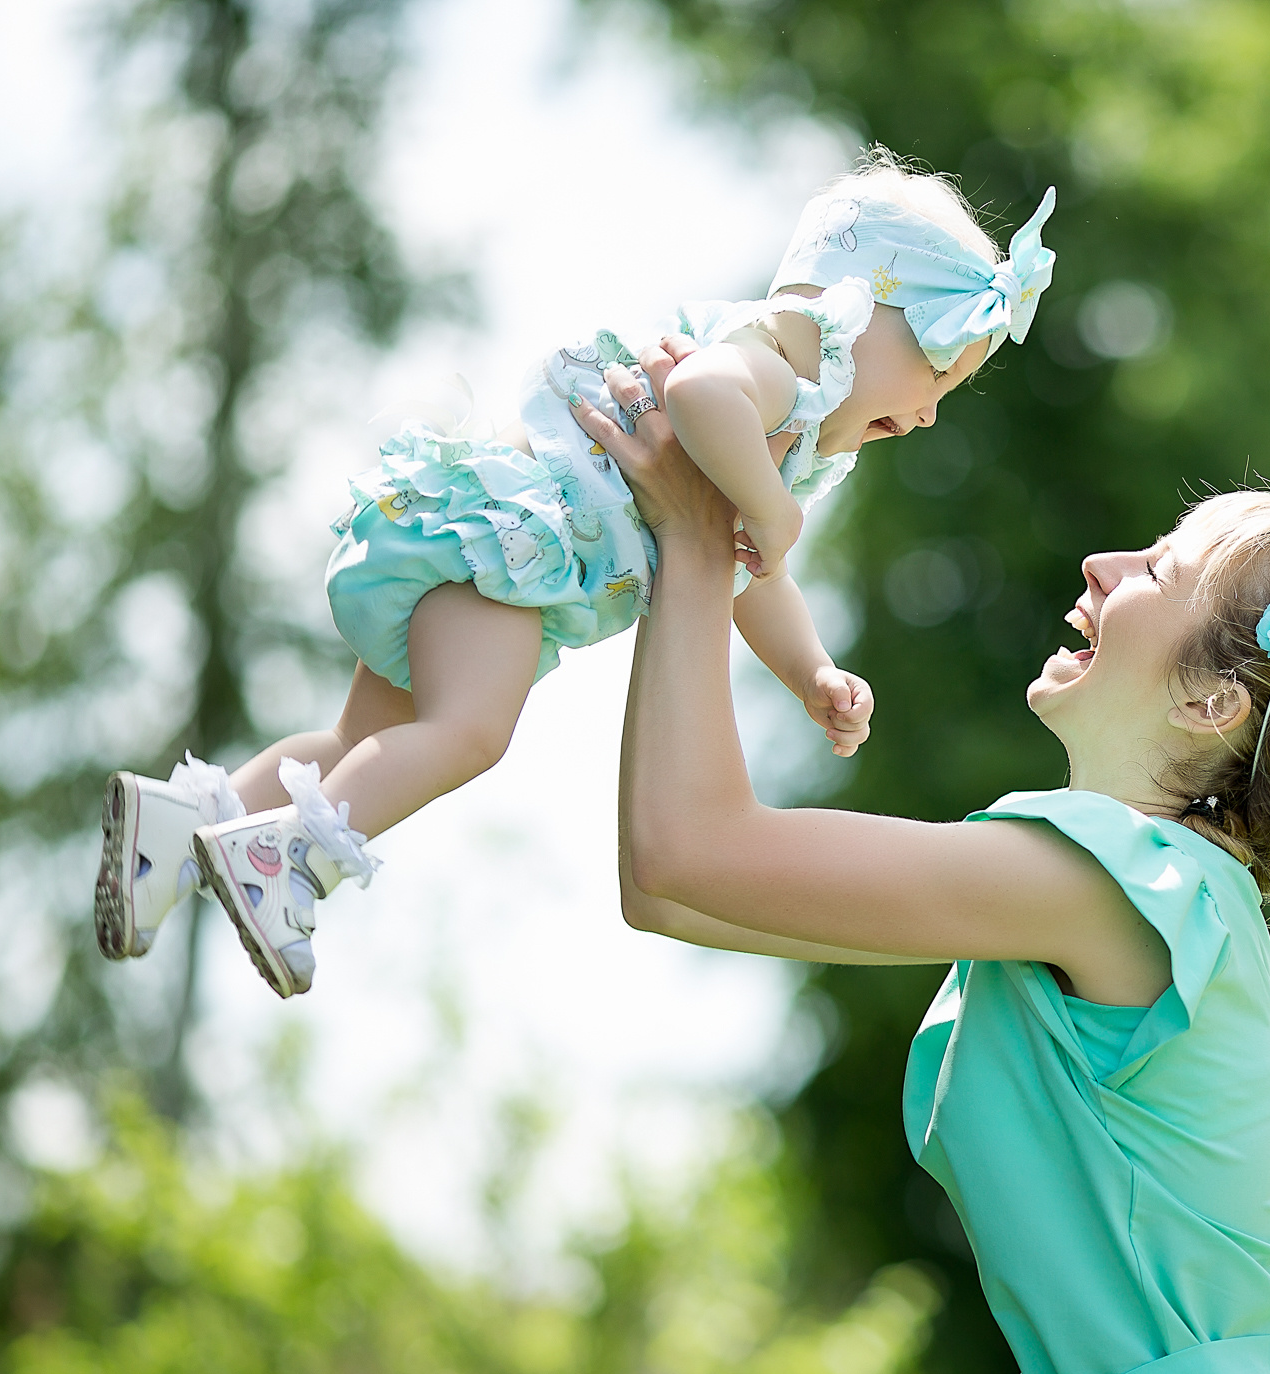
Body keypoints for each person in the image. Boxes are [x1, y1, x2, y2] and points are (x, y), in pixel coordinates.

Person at [580, 344, 1270, 1374]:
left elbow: (686, 851)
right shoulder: (1107, 893)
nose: (1103, 565)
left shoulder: (1131, 885)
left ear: (1212, 703)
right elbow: (668, 887)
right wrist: (691, 544)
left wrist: (703, 538)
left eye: (1160, 570)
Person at [91, 152, 1056, 997]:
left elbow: (754, 576)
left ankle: (180, 825)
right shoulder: (771, 363)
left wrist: (810, 670)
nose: (930, 414)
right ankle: (289, 864)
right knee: (469, 733)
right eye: (938, 373)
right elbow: (699, 395)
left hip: (473, 541)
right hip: (514, 554)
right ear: (868, 311)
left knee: (363, 740)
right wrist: (770, 507)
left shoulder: (784, 432)